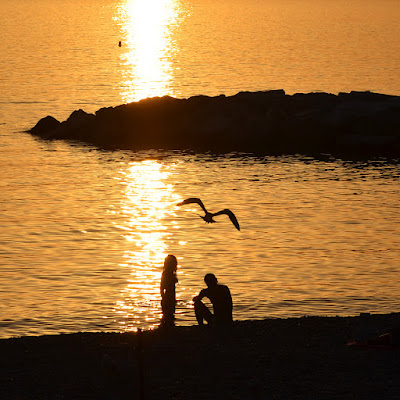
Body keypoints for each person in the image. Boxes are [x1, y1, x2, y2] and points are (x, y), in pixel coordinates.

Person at [160, 255, 178, 324]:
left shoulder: (169, 273)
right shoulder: (166, 274)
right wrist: (163, 297)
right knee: (168, 315)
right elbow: (162, 287)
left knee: (169, 316)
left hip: (170, 297)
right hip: (168, 297)